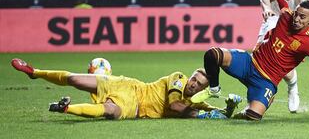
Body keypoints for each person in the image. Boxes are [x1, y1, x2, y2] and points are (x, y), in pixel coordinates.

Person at [191, 0, 309, 120]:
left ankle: (249, 106)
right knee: (213, 54)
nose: (296, 18)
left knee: (253, 117)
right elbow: (282, 2)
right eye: (296, 13)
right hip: (250, 63)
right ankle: (214, 89)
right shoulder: (286, 15)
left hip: (267, 81)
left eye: (302, 17)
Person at [11, 59, 241, 120]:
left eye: (198, 83)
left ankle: (65, 108)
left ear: (204, 86)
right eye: (194, 79)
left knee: (110, 111)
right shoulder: (178, 78)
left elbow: (216, 113)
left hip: (136, 108)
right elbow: (174, 105)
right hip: (131, 86)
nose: (193, 83)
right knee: (75, 80)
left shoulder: (199, 102)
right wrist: (200, 114)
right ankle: (35, 72)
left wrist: (228, 108)